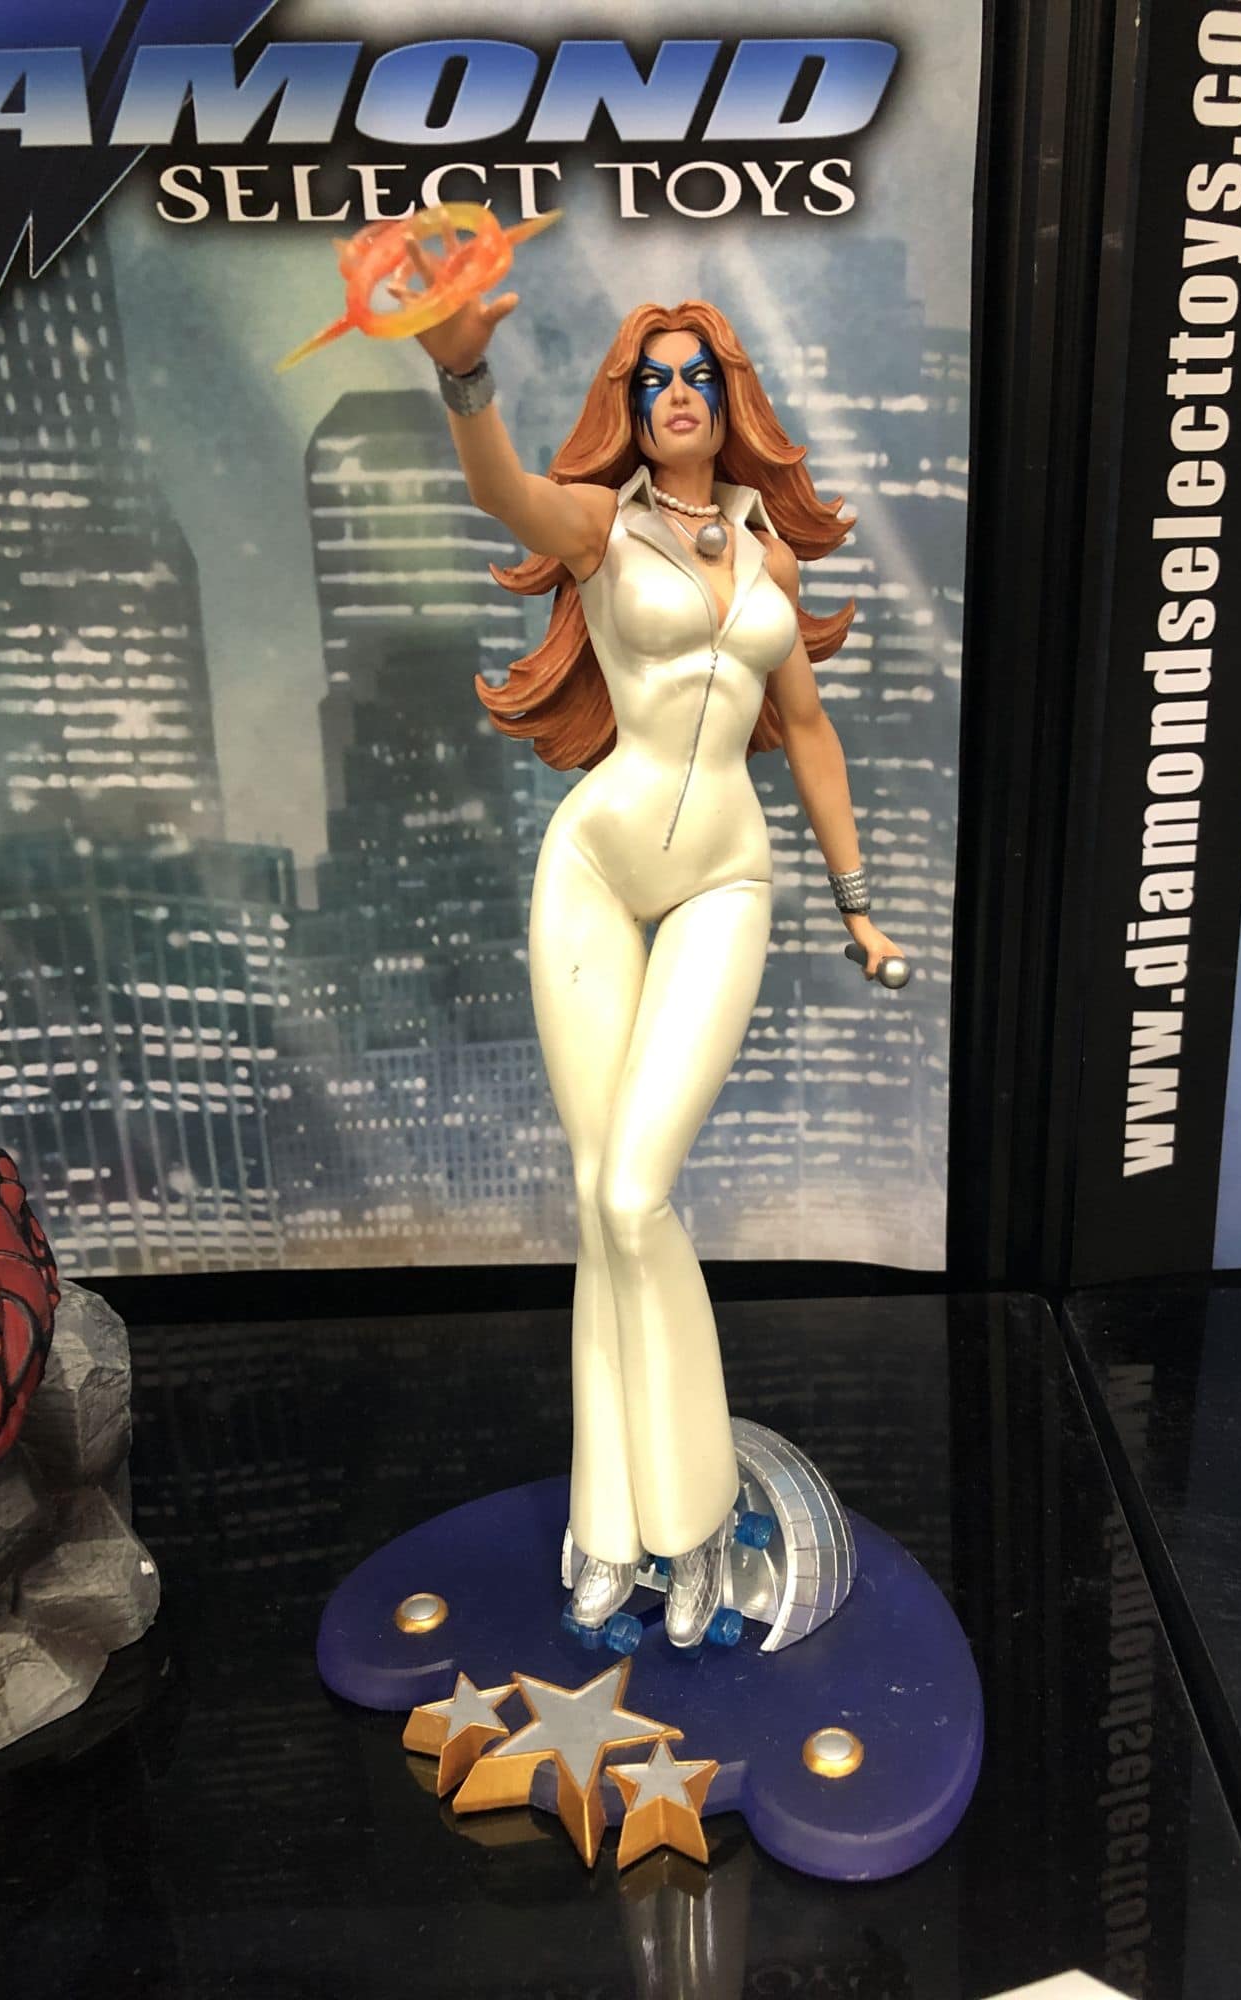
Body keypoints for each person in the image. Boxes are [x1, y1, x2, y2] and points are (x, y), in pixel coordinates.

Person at [403, 253, 905, 1647]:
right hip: (595, 864)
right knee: (594, 1198)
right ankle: (611, 1528)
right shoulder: (599, 527)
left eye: (699, 378)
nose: (677, 395)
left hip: (724, 878)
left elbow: (808, 730)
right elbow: (499, 491)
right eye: (653, 380)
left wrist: (856, 899)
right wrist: (463, 374)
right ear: (630, 406)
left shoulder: (768, 554)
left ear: (730, 401)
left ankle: (692, 1527)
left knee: (637, 1196)